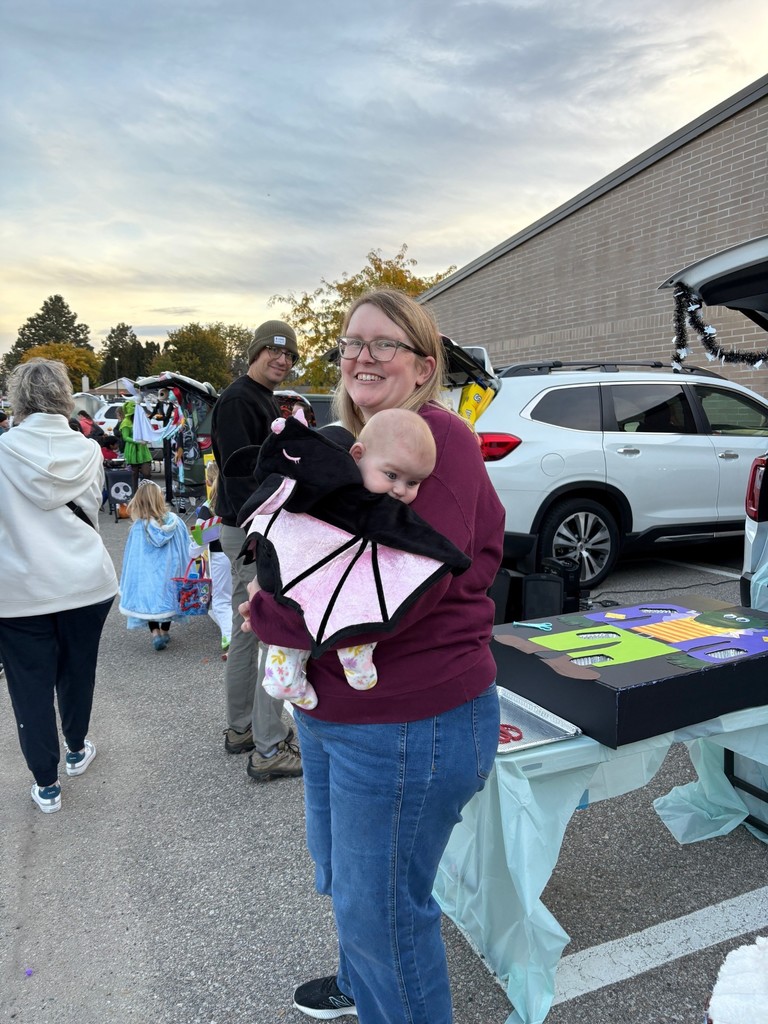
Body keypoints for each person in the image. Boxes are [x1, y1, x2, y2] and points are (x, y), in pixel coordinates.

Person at [245, 290, 505, 1022]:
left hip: (405, 724)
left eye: (383, 343)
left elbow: (395, 588)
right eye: (350, 343)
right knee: (350, 883)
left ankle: (384, 986)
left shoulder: (435, 441)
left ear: (425, 364)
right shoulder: (353, 447)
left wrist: (267, 612)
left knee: (385, 910)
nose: (361, 356)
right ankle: (362, 984)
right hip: (338, 710)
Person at [247, 407, 451, 709]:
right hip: (303, 581)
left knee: (350, 608)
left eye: (413, 483)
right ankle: (307, 675)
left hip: (315, 586)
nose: (399, 490)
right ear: (357, 455)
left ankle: (308, 672)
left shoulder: (350, 486)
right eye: (392, 475)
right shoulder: (337, 488)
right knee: (341, 617)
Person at [0, 359, 118, 814]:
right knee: (77, 668)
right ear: (64, 396)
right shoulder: (88, 450)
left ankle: (47, 784)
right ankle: (75, 747)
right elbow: (94, 503)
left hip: (18, 590)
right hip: (85, 580)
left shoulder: (5, 450)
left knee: (28, 685)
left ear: (19, 399)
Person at [211, 319, 303, 781]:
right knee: (269, 629)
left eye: (289, 356)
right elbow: (242, 472)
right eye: (274, 351)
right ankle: (268, 748)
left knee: (246, 630)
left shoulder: (264, 399)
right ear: (255, 352)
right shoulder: (238, 400)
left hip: (251, 528)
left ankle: (243, 729)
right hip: (252, 529)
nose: (282, 361)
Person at [118, 480, 190, 650]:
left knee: (149, 600)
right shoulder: (175, 522)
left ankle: (155, 633)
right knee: (169, 599)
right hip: (171, 570)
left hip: (147, 575)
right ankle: (165, 632)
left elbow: (133, 556)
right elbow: (184, 545)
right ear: (160, 498)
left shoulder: (138, 528)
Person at [190, 460, 232, 656]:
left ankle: (230, 637)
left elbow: (199, 541)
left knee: (221, 600)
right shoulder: (235, 499)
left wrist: (192, 552)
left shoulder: (209, 508)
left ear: (208, 482)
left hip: (220, 556)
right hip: (241, 554)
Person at [119, 399, 152, 492]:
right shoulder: (126, 422)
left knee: (147, 473)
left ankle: (147, 492)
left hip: (142, 450)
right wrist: (138, 441)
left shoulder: (140, 420)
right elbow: (125, 437)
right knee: (134, 475)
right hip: (132, 450)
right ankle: (134, 495)